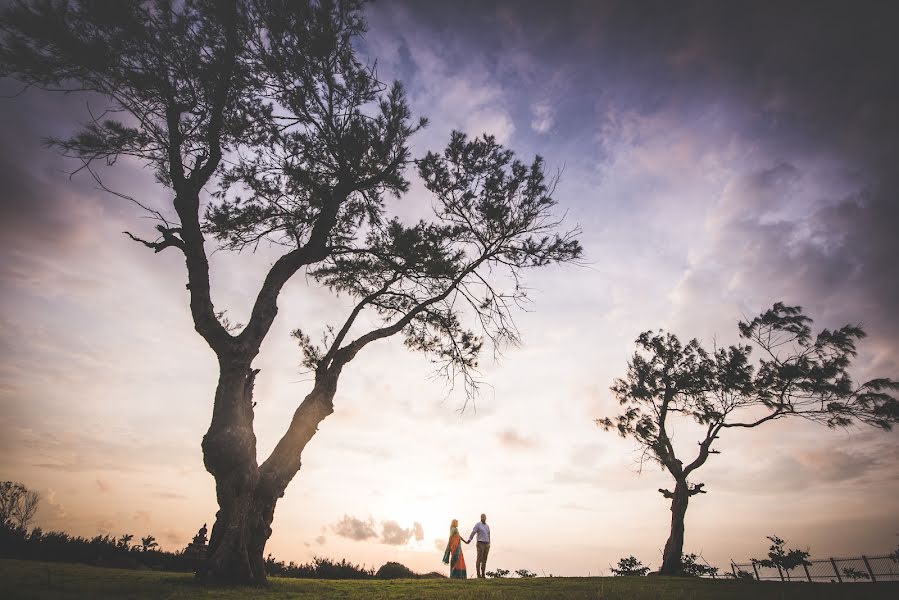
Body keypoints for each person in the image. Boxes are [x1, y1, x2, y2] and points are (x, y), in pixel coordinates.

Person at [466, 513, 490, 578]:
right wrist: (469, 539)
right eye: (482, 517)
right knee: (479, 559)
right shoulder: (478, 525)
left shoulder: (487, 526)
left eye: (484, 517)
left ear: (486, 518)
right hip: (480, 543)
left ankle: (483, 574)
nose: (483, 518)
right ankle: (478, 575)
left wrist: (489, 543)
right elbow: (473, 532)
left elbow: (488, 535)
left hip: (487, 544)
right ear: (480, 518)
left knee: (484, 559)